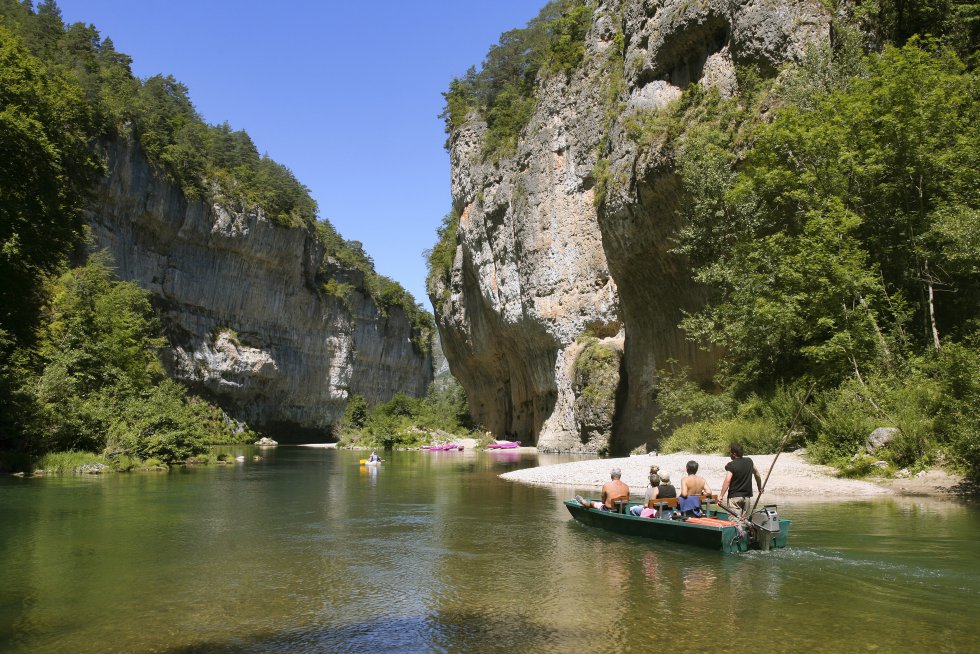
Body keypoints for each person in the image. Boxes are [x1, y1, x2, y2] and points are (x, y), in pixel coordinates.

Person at [717, 442, 762, 515]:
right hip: (746, 498)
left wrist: (721, 495)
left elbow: (727, 480)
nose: (729, 454)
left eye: (730, 453)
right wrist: (760, 488)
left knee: (735, 522)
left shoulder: (731, 465)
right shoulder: (749, 461)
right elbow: (757, 474)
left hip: (735, 498)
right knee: (744, 522)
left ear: (734, 454)